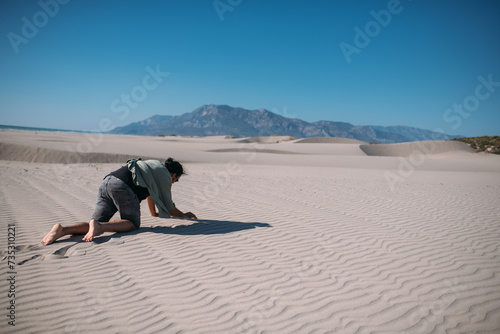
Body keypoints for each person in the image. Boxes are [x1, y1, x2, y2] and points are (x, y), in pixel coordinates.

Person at [42, 158, 197, 245]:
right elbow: (170, 207)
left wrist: (154, 213)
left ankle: (62, 230)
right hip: (123, 188)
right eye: (176, 180)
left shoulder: (153, 168)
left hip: (107, 182)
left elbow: (151, 195)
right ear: (173, 174)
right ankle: (99, 227)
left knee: (94, 222)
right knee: (132, 223)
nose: (174, 183)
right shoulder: (164, 175)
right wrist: (185, 216)